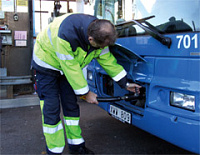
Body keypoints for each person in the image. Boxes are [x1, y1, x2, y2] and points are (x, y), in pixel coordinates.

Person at [32, 13, 141, 155]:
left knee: (71, 106)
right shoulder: (66, 35)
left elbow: (107, 60)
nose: (101, 49)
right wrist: (86, 93)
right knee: (51, 109)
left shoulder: (99, 34)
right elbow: (70, 67)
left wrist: (125, 83)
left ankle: (76, 147)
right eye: (99, 46)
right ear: (90, 39)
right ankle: (54, 151)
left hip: (66, 67)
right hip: (46, 65)